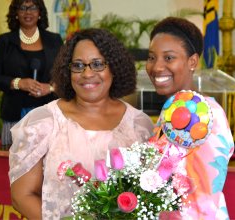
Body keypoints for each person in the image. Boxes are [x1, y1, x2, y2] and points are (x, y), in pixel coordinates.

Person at [9, 28, 154, 219]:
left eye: (97, 64)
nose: (87, 73)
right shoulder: (44, 121)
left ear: (114, 68)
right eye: (78, 65)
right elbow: (22, 196)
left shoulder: (138, 125)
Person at [146, 17, 234, 219]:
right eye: (151, 57)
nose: (157, 67)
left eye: (168, 58)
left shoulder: (204, 114)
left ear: (192, 61)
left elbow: (203, 195)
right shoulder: (172, 109)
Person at [0, 0, 63, 150]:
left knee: (47, 161)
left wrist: (49, 88)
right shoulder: (6, 41)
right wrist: (18, 83)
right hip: (14, 114)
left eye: (33, 7)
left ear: (40, 12)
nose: (28, 12)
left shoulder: (54, 40)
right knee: (14, 165)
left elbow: (65, 74)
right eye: (22, 8)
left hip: (48, 113)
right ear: (16, 13)